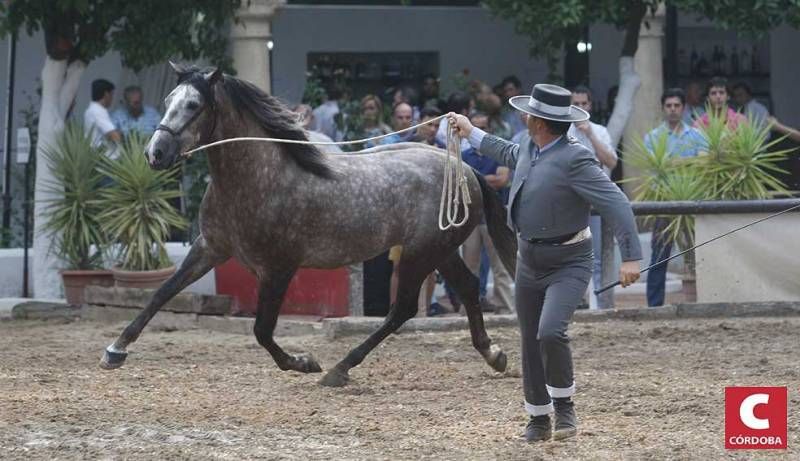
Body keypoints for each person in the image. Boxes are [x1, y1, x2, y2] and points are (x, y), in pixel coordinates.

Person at [448, 83, 642, 442]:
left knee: (550, 331)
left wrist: (631, 256)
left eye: (529, 114)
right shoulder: (528, 145)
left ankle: (565, 406)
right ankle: (538, 418)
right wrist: (470, 131)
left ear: (539, 121)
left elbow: (616, 202)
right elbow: (505, 150)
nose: (523, 116)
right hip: (529, 259)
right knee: (529, 339)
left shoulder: (576, 158)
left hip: (569, 260)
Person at [643, 88, 706, 307]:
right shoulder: (652, 138)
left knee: (700, 256)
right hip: (665, 204)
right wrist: (687, 162)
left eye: (676, 105)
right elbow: (653, 172)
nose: (672, 110)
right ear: (663, 108)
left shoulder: (696, 135)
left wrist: (673, 163)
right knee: (659, 257)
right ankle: (654, 306)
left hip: (692, 203)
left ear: (684, 108)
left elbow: (704, 165)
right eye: (668, 106)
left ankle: (705, 302)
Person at [567, 86, 618, 307]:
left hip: (596, 203)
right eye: (575, 104)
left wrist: (590, 134)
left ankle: (598, 306)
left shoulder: (600, 130)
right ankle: (574, 304)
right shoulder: (562, 131)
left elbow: (611, 162)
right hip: (568, 203)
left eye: (583, 104)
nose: (579, 108)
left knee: (595, 257)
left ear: (590, 105)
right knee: (569, 257)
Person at [460, 111, 514, 315]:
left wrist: (473, 178)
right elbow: (461, 181)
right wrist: (488, 178)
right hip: (471, 219)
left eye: (483, 126)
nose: (480, 130)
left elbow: (502, 180)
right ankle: (468, 310)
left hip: (494, 217)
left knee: (500, 266)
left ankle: (506, 308)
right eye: (476, 126)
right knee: (469, 266)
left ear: (489, 129)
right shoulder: (464, 154)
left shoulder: (497, 152)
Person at [84, 79, 122, 158]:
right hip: (104, 159)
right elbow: (115, 136)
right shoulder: (98, 111)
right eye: (112, 95)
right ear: (106, 94)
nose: (112, 98)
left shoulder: (93, 109)